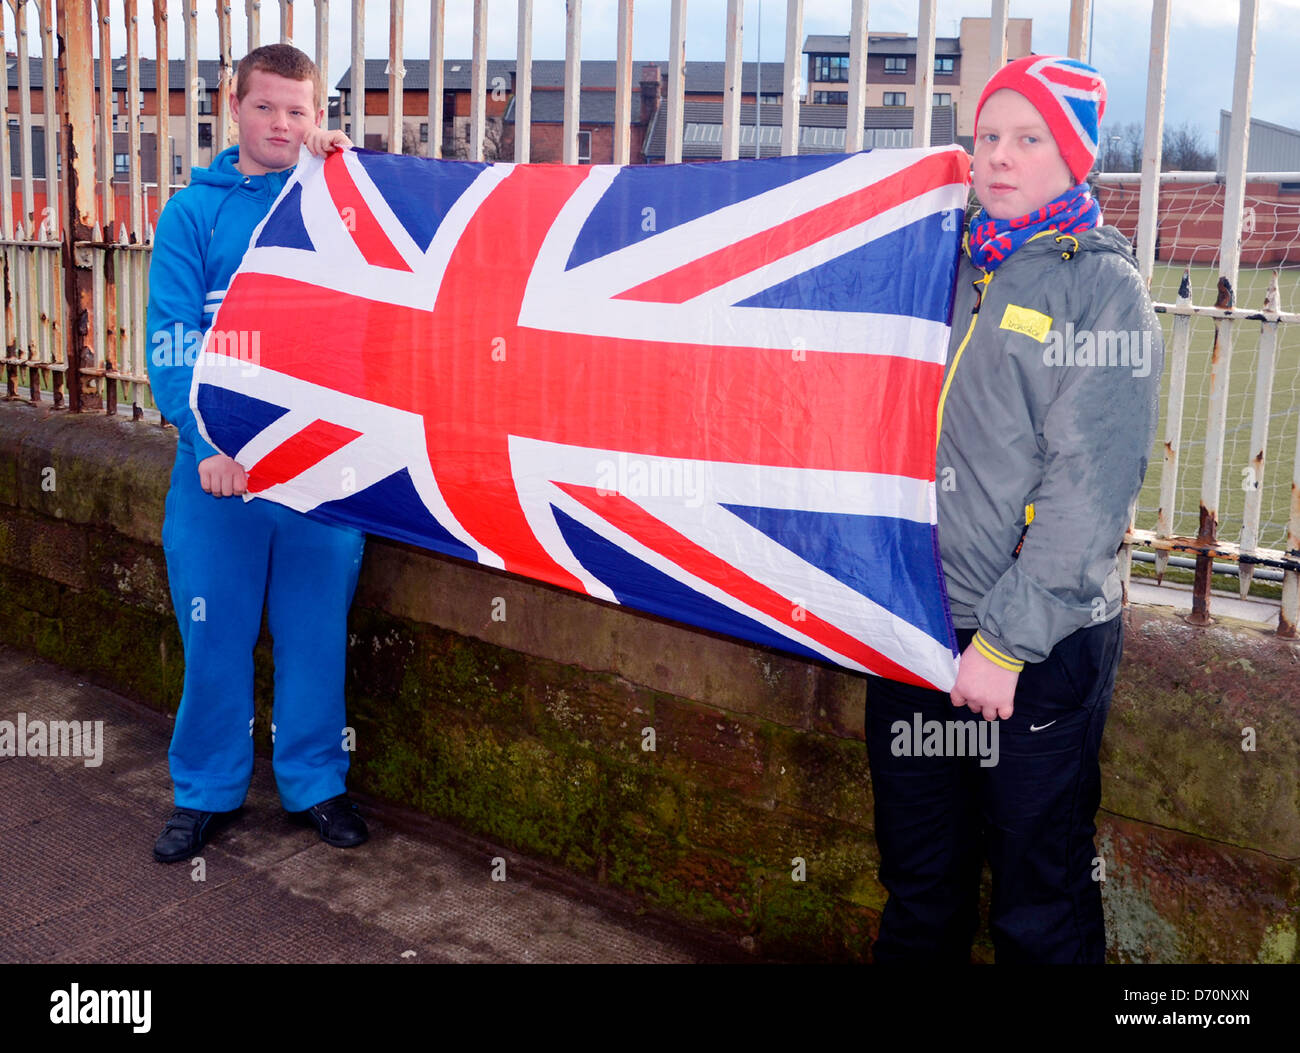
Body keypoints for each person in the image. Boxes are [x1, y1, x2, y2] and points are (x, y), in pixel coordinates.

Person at [863, 56, 1164, 962]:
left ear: (1076, 159)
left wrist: (1004, 643)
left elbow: (1088, 492)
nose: (998, 156)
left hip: (1038, 652)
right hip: (915, 626)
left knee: (1038, 903)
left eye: (1028, 139)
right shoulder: (935, 259)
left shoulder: (1104, 292)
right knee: (920, 884)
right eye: (986, 136)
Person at [147, 43, 368, 862]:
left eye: (298, 111)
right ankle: (204, 788)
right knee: (216, 631)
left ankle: (316, 782)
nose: (281, 123)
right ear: (232, 105)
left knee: (316, 633)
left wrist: (352, 174)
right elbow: (173, 339)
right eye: (265, 106)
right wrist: (205, 443)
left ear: (318, 118)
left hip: (321, 469)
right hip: (219, 472)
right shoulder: (189, 214)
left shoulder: (336, 198)